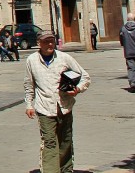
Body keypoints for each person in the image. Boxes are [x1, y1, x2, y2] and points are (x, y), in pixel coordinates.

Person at [25, 30, 90, 173]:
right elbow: (29, 84)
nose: (49, 44)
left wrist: (77, 89)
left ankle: (66, 169)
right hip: (44, 107)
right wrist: (29, 104)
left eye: (52, 41)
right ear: (38, 43)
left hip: (64, 106)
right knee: (49, 142)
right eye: (46, 41)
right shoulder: (31, 60)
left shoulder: (64, 58)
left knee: (66, 141)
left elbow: (85, 77)